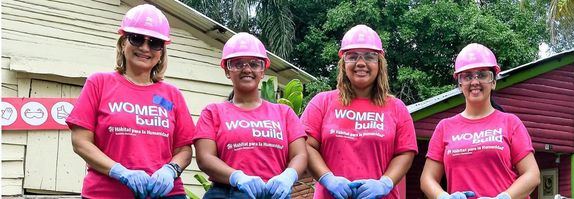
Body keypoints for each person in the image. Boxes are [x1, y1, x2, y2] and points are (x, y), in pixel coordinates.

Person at [67, 4, 195, 199]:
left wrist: (171, 169)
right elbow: (80, 142)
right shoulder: (99, 83)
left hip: (166, 195)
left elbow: (184, 149)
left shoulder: (172, 94)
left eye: (154, 42)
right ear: (122, 43)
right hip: (106, 193)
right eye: (136, 38)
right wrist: (120, 172)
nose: (145, 48)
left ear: (161, 52)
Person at [301, 24, 418, 199]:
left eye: (369, 56)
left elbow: (405, 153)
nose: (361, 63)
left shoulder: (397, 107)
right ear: (343, 63)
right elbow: (306, 146)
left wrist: (385, 183)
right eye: (352, 56)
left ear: (379, 63)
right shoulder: (322, 102)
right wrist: (327, 178)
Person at [193, 32, 308, 199]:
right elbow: (204, 157)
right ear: (227, 70)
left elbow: (300, 154)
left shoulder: (285, 113)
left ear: (262, 71)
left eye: (254, 64)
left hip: (273, 194)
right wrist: (237, 177)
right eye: (238, 64)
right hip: (226, 193)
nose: (247, 69)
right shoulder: (213, 112)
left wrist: (288, 176)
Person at [420, 43, 540, 199]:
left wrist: (505, 197)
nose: (475, 82)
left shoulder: (510, 123)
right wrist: (443, 197)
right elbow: (427, 179)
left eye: (482, 75)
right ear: (460, 83)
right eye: (467, 76)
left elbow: (532, 174)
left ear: (494, 81)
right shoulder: (444, 127)